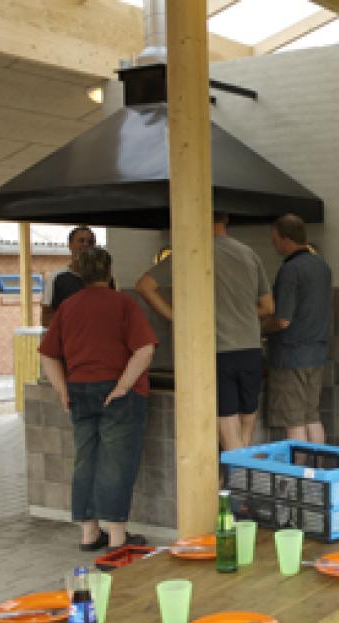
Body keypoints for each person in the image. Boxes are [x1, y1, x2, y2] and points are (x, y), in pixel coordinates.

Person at [39, 247, 157, 551]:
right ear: (110, 272)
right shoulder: (123, 303)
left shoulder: (68, 306)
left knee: (86, 460)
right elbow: (145, 349)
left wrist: (62, 389)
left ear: (80, 273)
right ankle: (118, 538)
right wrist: (123, 386)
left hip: (79, 391)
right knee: (117, 463)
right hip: (117, 393)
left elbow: (47, 354)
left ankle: (89, 534)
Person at [135, 213, 274, 451]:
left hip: (218, 351)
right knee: (247, 421)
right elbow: (268, 307)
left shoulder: (192, 252)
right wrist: (239, 313)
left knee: (228, 425)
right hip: (251, 350)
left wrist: (178, 318)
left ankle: (234, 475)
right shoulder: (249, 254)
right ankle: (237, 471)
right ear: (226, 221)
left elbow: (144, 286)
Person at [262, 214, 332, 443]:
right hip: (317, 353)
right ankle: (318, 464)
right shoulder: (322, 266)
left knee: (293, 421)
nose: (273, 245)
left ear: (286, 239)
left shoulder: (290, 270)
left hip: (290, 356)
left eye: (274, 239)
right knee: (312, 416)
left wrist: (260, 328)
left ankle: (298, 467)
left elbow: (283, 320)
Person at [41, 225, 96, 327]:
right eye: (81, 241)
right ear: (70, 245)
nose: (86, 245)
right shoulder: (55, 278)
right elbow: (46, 319)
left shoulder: (105, 279)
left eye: (90, 242)